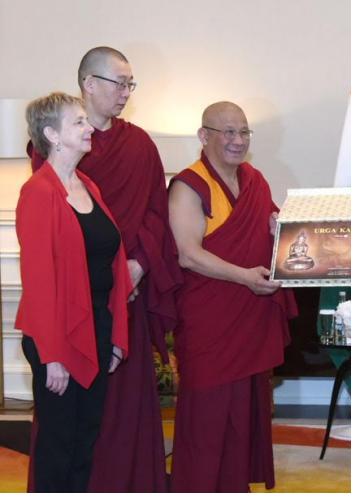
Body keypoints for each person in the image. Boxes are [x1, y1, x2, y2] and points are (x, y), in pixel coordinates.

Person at [28, 47, 183, 493]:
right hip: (69, 314)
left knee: (107, 417)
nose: (126, 93)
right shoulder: (51, 166)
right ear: (89, 85)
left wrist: (137, 265)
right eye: (120, 83)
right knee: (64, 436)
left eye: (131, 84)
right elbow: (48, 257)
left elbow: (155, 211)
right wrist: (52, 352)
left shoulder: (136, 147)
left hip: (118, 305)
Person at [168, 101, 296, 493]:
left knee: (243, 420)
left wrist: (280, 229)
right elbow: (188, 254)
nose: (238, 141)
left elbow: (273, 230)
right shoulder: (188, 185)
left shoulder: (254, 180)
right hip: (211, 325)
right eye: (228, 132)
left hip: (248, 321)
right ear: (204, 136)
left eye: (244, 132)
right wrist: (244, 277)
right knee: (205, 423)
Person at [16, 92, 132, 492]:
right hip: (57, 339)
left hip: (96, 330)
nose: (89, 128)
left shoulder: (89, 187)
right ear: (51, 133)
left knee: (85, 443)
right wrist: (52, 356)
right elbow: (39, 281)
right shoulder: (38, 192)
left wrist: (115, 337)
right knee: (57, 447)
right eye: (78, 122)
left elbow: (112, 266)